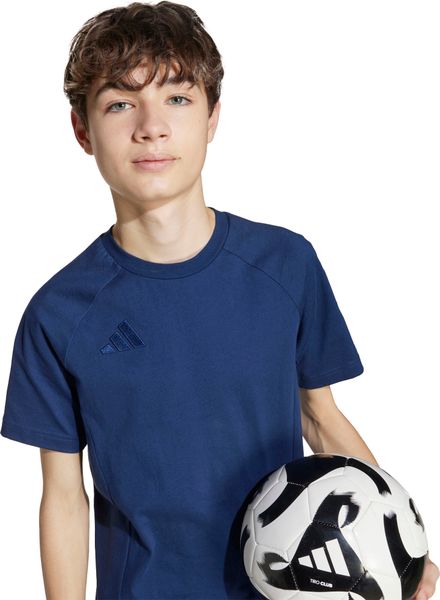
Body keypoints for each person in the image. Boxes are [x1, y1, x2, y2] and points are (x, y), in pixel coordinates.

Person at [1, 2, 438, 599]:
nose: (152, 127)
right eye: (120, 103)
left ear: (212, 118)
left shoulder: (285, 264)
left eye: (178, 98)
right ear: (82, 130)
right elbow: (62, 496)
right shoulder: (59, 313)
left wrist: (398, 548)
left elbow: (321, 418)